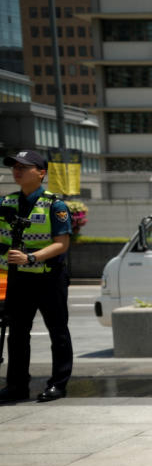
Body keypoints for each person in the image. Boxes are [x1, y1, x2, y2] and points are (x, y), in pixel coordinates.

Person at [0, 149, 73, 403]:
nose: (16, 171)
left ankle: (58, 384)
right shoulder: (6, 202)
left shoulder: (56, 204)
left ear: (41, 173)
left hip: (49, 278)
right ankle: (16, 386)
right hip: (18, 279)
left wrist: (30, 257)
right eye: (14, 167)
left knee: (58, 331)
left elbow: (61, 244)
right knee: (17, 334)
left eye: (24, 167)